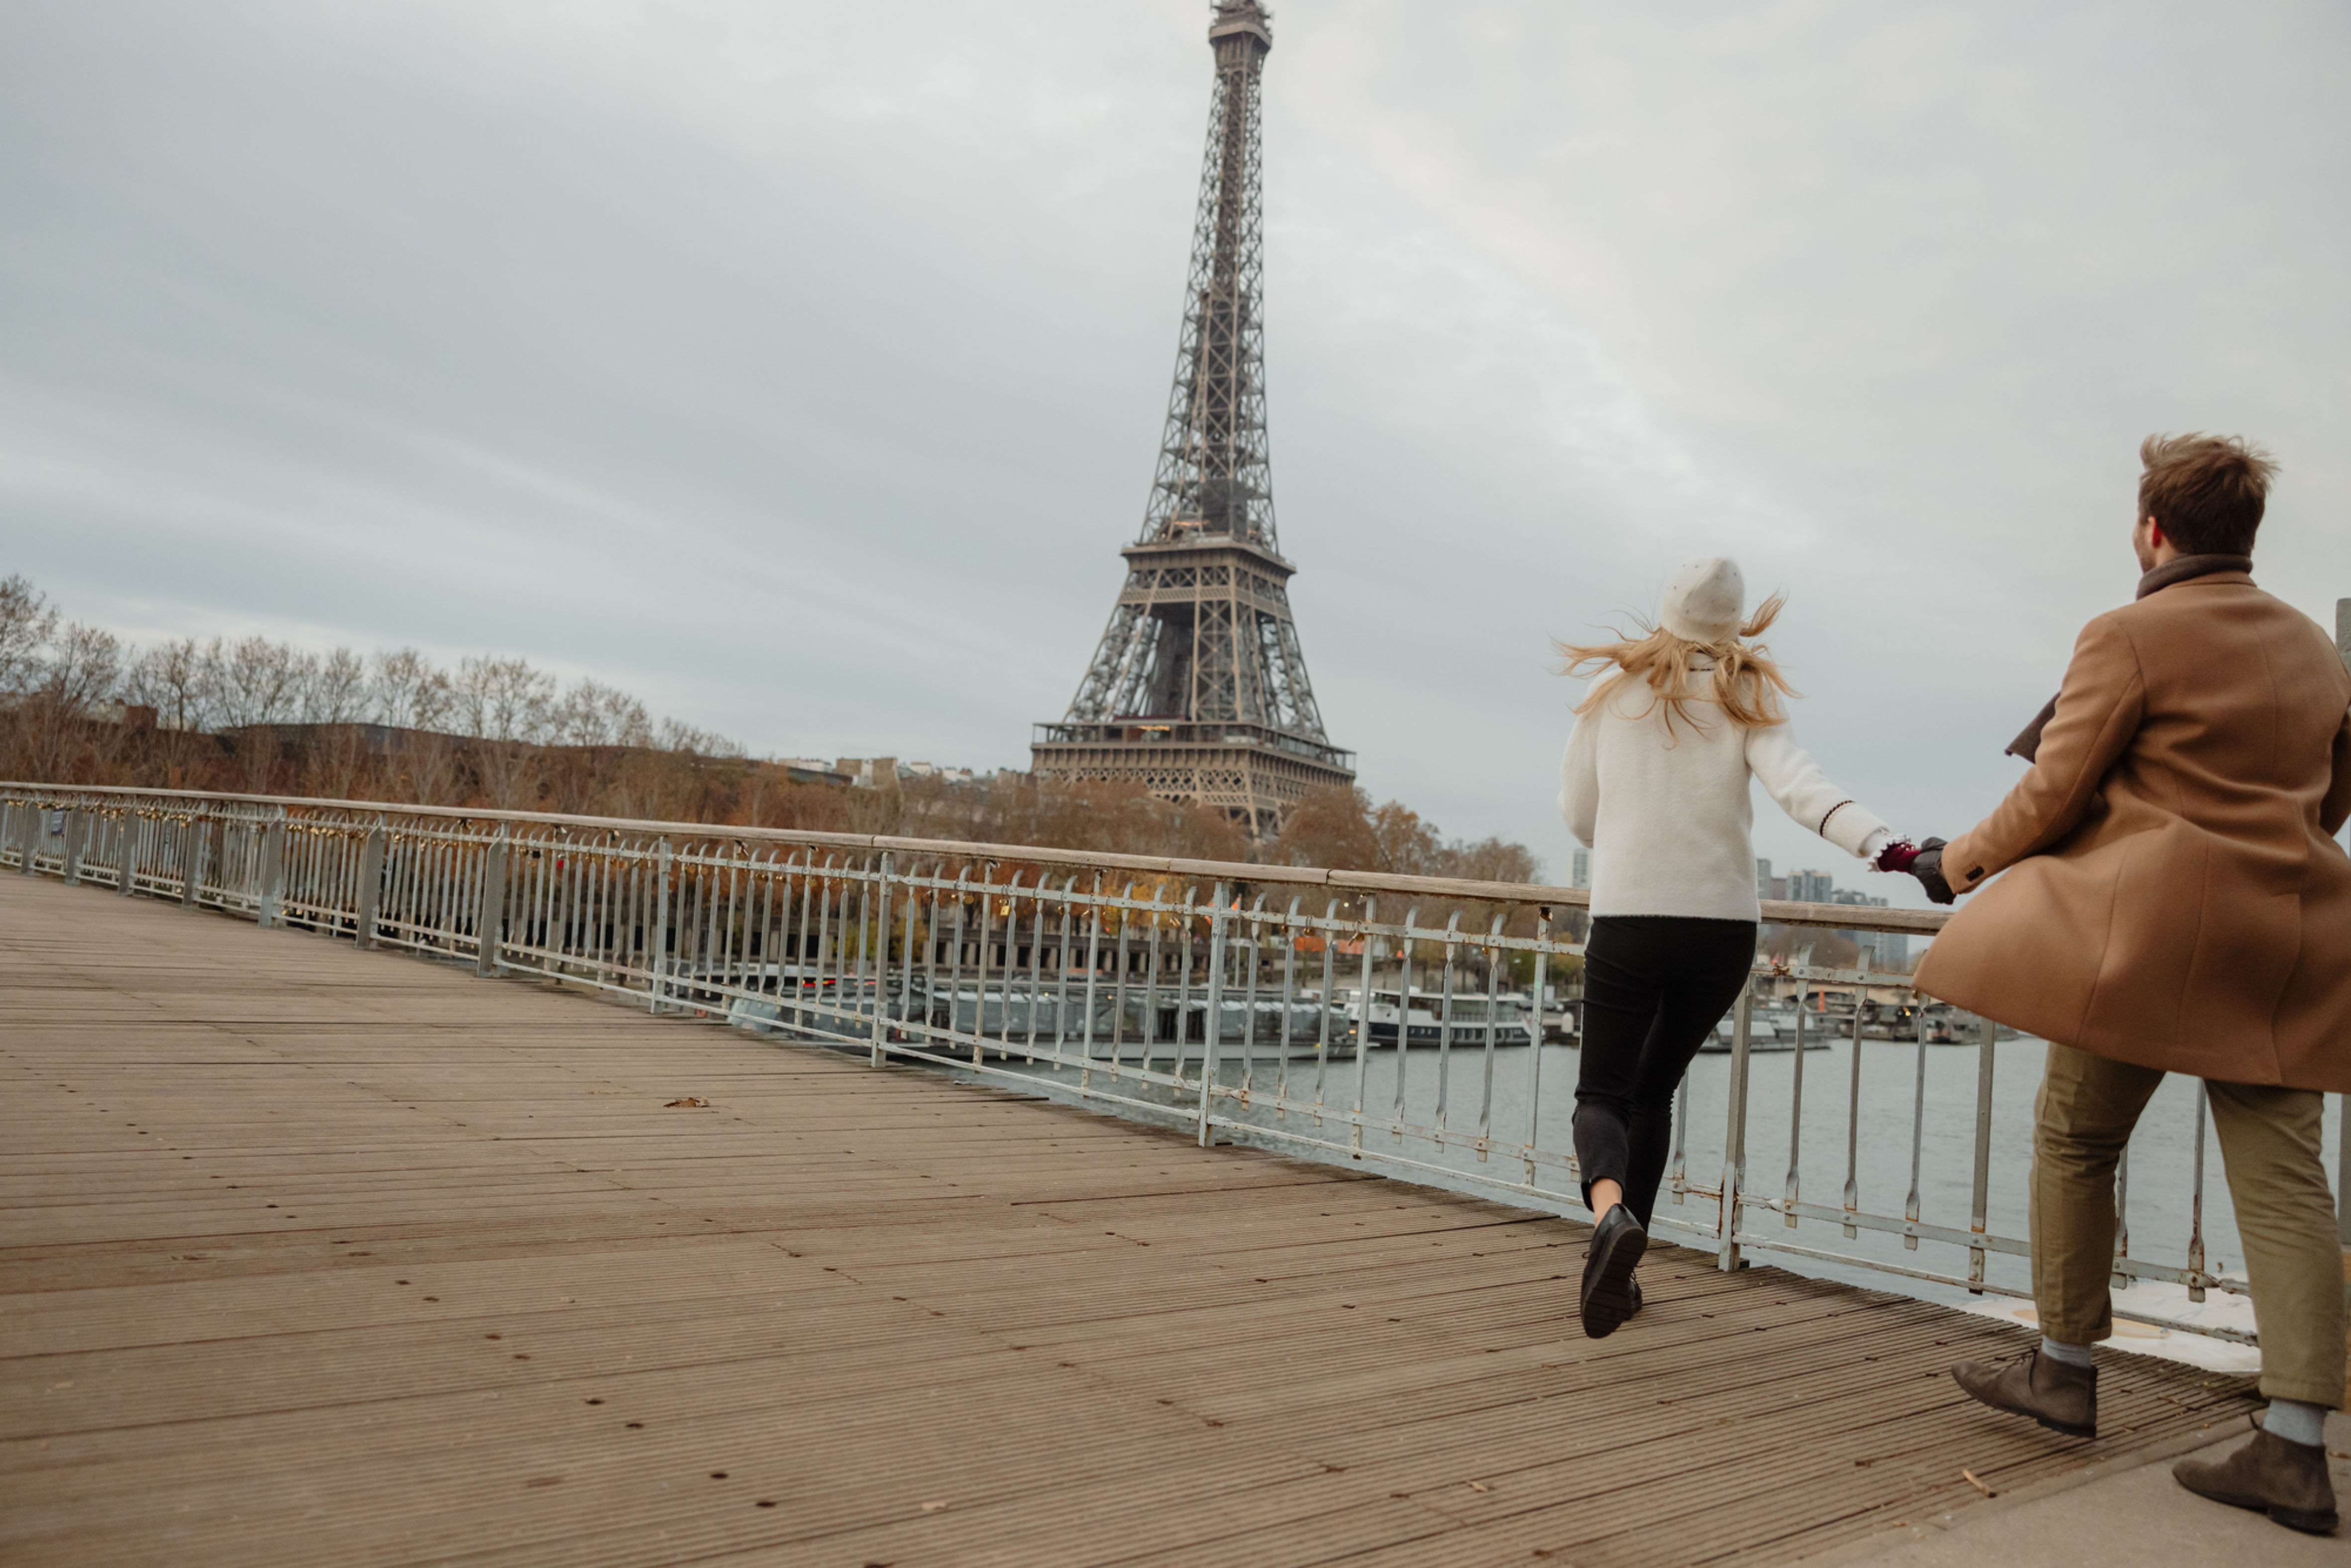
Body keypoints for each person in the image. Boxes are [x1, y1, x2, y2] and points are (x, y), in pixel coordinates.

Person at [1902, 434, 2349, 1537]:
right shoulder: (2313, 650)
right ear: (2245, 534)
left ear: (2152, 530)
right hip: (2288, 944)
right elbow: (2335, 793)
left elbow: (2050, 799)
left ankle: (2061, 1368)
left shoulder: (2128, 634)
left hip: (2147, 949)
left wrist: (1948, 864)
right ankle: (2293, 1448)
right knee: (2288, 1187)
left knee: (2074, 1138)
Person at [1558, 556, 1910, 1339]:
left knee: (1602, 1097)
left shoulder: (1608, 693)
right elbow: (1803, 792)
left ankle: (1611, 1221)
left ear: (1666, 612)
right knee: (1654, 1093)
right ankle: (1625, 1274)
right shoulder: (1745, 692)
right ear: (1735, 623)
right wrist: (1892, 848)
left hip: (1631, 921)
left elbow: (1577, 816)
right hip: (1722, 932)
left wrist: (1625, 831)